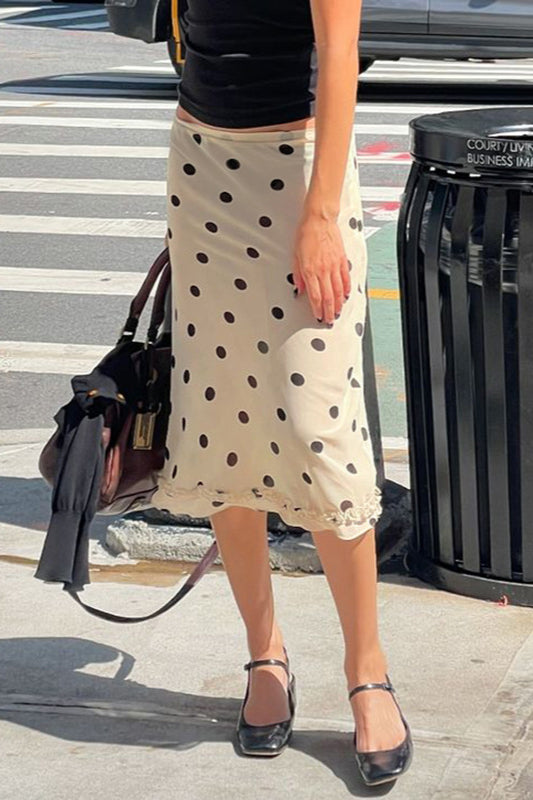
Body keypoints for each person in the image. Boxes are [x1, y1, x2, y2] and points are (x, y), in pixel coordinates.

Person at [152, 0, 413, 785]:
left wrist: (320, 217)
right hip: (200, 163)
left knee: (317, 429)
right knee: (221, 428)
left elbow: (339, 55)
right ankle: (264, 658)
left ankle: (367, 673)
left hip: (298, 171)